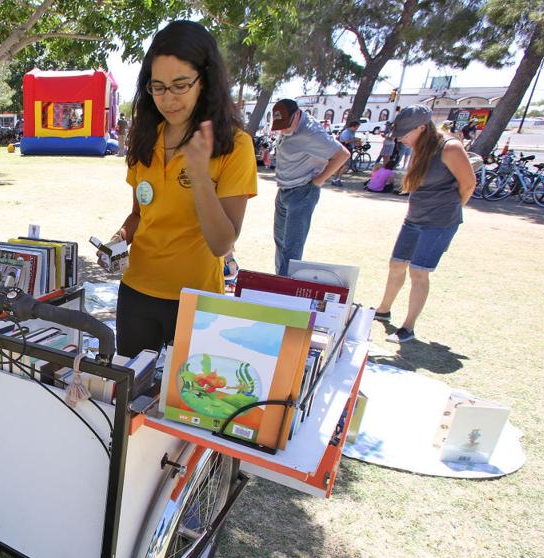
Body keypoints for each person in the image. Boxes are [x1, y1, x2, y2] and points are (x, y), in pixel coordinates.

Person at [107, 20, 257, 357]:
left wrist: (200, 175)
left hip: (196, 301)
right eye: (158, 87)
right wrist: (118, 240)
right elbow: (139, 214)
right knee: (130, 385)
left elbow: (222, 243)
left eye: (180, 85)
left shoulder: (234, 145)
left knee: (187, 392)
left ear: (205, 80)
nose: (168, 99)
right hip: (137, 292)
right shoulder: (146, 137)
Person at [375, 105, 476, 344]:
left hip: (439, 222)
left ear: (422, 128)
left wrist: (448, 210)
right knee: (396, 264)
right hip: (414, 218)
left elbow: (468, 184)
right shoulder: (420, 148)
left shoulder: (449, 148)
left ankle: (408, 327)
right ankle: (383, 310)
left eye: (405, 134)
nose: (402, 139)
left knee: (419, 272)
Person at [270, 98, 349, 275]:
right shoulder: (289, 127)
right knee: (280, 242)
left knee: (291, 249)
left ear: (297, 115)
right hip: (284, 190)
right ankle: (279, 281)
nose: (283, 130)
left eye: (285, 125)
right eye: (279, 126)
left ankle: (285, 288)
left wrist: (317, 181)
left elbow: (342, 155)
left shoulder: (311, 132)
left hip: (301, 192)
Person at [331, 120, 360, 185]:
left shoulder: (352, 132)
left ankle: (335, 179)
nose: (357, 129)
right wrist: (355, 139)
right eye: (356, 127)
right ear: (353, 126)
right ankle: (338, 179)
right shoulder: (346, 132)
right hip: (345, 149)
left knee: (340, 165)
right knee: (345, 165)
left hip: (348, 149)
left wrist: (355, 142)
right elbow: (346, 141)